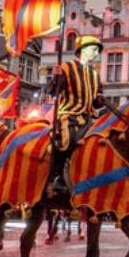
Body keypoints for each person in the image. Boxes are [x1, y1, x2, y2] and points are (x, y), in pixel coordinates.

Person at [49, 36, 106, 193]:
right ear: (82, 50)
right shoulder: (67, 67)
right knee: (68, 140)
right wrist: (56, 78)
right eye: (93, 49)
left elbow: (95, 101)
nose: (95, 53)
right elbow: (53, 92)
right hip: (69, 112)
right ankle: (58, 176)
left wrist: (100, 100)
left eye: (97, 50)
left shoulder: (95, 74)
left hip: (89, 116)